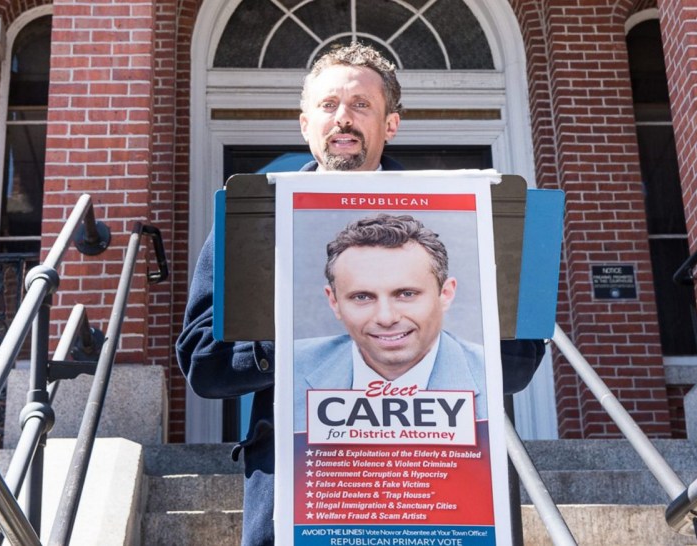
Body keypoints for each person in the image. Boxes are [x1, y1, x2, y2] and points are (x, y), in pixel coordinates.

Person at [177, 42, 543, 546]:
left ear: (390, 124)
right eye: (328, 106)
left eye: (361, 106)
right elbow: (203, 365)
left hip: (437, 494)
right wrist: (291, 335)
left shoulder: (461, 217)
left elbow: (520, 364)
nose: (342, 119)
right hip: (303, 492)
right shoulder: (249, 222)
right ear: (305, 123)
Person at [294, 214, 487, 432]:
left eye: (406, 294)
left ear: (446, 294)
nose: (386, 318)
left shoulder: (490, 374)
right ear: (334, 302)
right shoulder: (290, 371)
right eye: (362, 297)